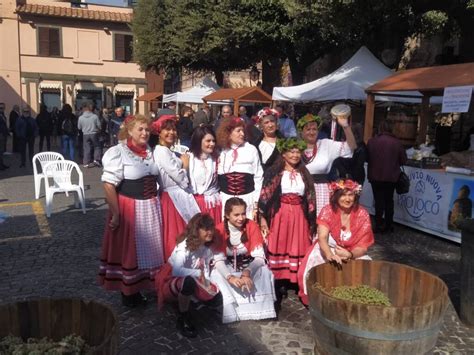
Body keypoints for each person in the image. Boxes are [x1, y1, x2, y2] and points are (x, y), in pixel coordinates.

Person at [99, 114, 164, 307]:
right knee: (130, 252)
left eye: (147, 129)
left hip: (150, 206)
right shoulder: (118, 152)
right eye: (140, 129)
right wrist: (116, 213)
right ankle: (129, 293)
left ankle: (145, 285)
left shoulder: (149, 150)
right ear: (129, 131)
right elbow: (109, 185)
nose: (145, 133)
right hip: (130, 207)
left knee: (151, 250)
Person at [298, 179, 374, 305]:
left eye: (351, 195)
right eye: (343, 195)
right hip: (328, 248)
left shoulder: (363, 214)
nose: (347, 199)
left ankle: (355, 300)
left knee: (366, 267)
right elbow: (322, 238)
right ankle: (318, 300)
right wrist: (330, 255)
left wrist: (349, 255)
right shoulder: (328, 211)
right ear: (336, 197)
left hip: (351, 252)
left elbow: (363, 246)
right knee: (316, 263)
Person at [258, 138, 316, 303]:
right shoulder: (275, 172)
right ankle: (278, 281)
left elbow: (310, 197)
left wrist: (312, 218)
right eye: (291, 151)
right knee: (280, 242)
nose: (295, 155)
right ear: (283, 154)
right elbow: (265, 195)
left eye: (298, 152)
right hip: (280, 212)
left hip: (299, 213)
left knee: (298, 243)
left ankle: (296, 279)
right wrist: (263, 218)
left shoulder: (304, 173)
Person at [211, 197, 276, 323]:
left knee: (265, 272)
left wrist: (247, 272)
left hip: (249, 266)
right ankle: (231, 311)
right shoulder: (219, 229)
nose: (241, 218)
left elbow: (259, 258)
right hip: (228, 267)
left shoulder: (251, 226)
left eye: (243, 213)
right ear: (227, 215)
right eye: (236, 214)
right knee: (217, 275)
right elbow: (218, 261)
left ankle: (259, 310)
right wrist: (230, 277)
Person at [155, 213, 220, 338]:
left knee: (215, 298)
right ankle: (183, 317)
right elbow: (177, 270)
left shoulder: (205, 246)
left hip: (191, 276)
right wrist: (198, 274)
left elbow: (205, 266)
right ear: (197, 230)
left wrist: (206, 284)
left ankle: (193, 301)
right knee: (188, 282)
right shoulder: (184, 246)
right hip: (170, 278)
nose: (210, 232)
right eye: (206, 229)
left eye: (211, 228)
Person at [153, 114, 200, 260]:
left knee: (184, 230)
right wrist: (184, 165)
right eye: (167, 130)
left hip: (177, 195)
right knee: (176, 231)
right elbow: (179, 177)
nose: (171, 133)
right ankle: (175, 264)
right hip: (172, 198)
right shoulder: (161, 151)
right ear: (159, 132)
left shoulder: (170, 152)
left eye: (173, 130)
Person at [298, 107, 356, 216]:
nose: (311, 132)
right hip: (300, 191)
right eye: (308, 129)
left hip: (320, 191)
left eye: (314, 129)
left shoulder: (326, 145)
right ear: (301, 132)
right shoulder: (296, 148)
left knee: (321, 224)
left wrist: (345, 126)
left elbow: (351, 146)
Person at [216, 116, 263, 219]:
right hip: (226, 199)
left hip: (247, 199)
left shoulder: (251, 149)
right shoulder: (221, 151)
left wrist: (255, 202)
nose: (242, 134)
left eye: (243, 131)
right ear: (228, 133)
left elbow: (258, 177)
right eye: (238, 131)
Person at [367, 120, 407, 233]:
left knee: (378, 201)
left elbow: (367, 158)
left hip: (375, 176)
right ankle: (389, 225)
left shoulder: (371, 141)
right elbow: (403, 160)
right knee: (389, 201)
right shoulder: (397, 142)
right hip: (391, 177)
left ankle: (378, 224)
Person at [188, 125, 222, 222]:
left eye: (213, 141)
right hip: (194, 204)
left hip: (212, 203)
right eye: (208, 141)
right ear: (199, 141)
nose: (212, 144)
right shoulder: (189, 159)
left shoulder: (217, 159)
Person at [78, 102, 102, 168]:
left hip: (85, 134)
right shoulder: (95, 116)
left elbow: (79, 127)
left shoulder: (81, 118)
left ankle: (86, 163)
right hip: (94, 133)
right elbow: (99, 126)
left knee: (86, 148)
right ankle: (96, 160)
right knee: (97, 147)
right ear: (90, 109)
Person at [0, 103, 9, 170]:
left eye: (3, 108)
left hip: (3, 134)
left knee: (2, 151)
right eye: (0, 108)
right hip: (0, 134)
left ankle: (2, 164)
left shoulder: (2, 115)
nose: (2, 109)